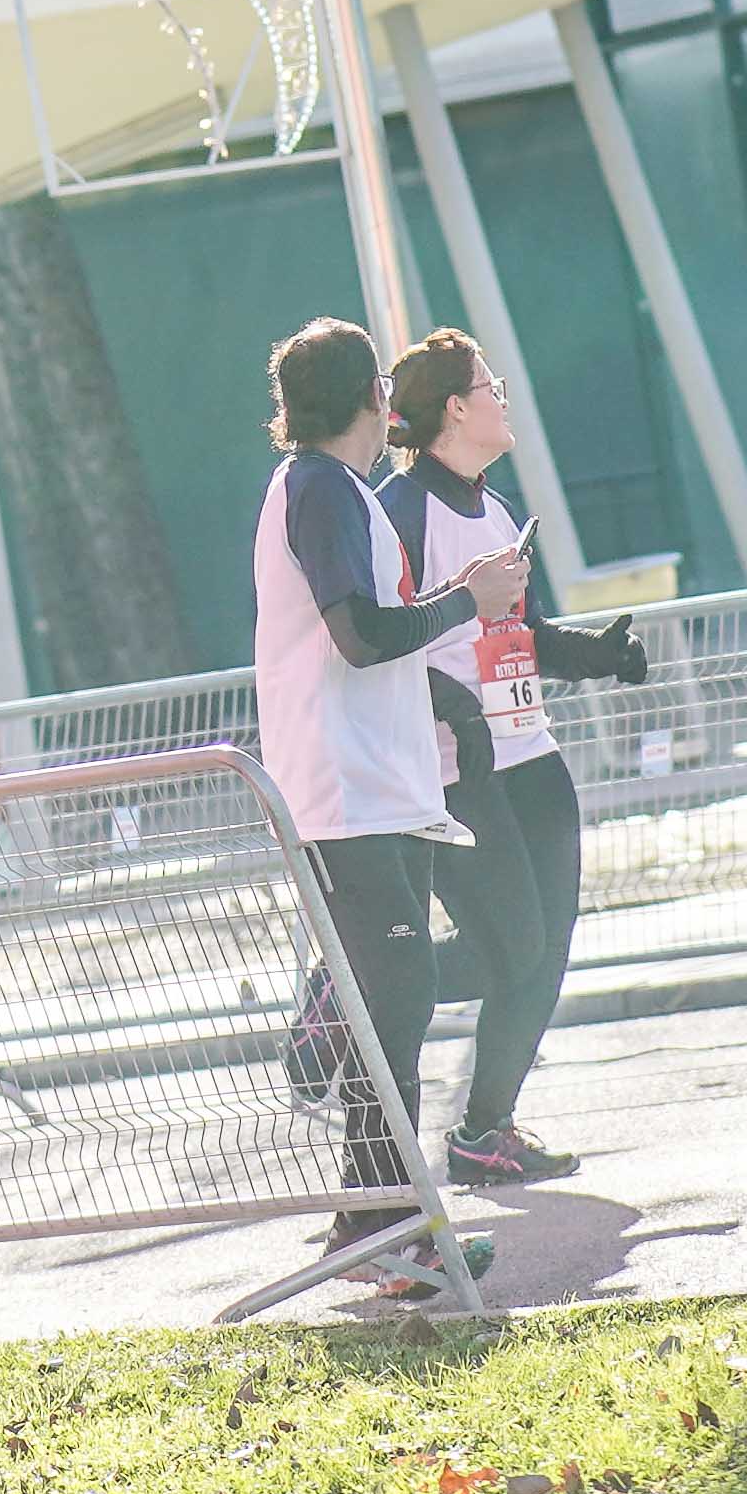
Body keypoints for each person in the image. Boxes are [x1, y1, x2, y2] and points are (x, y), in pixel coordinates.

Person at [245, 316, 506, 1286]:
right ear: (376, 401)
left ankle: (377, 1227)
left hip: (378, 787)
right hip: (344, 794)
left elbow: (350, 643)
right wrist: (467, 601)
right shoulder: (318, 486)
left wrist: (444, 701)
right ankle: (388, 1231)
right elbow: (356, 634)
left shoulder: (336, 487)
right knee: (394, 1003)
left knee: (395, 1004)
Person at [384, 329, 645, 1186]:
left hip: (532, 753)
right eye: (490, 387)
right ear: (456, 408)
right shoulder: (401, 509)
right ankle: (346, 989)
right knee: (511, 947)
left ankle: (483, 1131)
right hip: (459, 771)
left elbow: (507, 634)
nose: (504, 398)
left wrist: (592, 656)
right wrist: (448, 708)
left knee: (547, 951)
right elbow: (381, 647)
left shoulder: (492, 507)